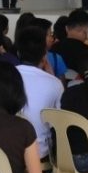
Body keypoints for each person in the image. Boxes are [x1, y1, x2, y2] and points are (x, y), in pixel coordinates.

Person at [14, 27, 61, 161]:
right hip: (40, 153)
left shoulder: (6, 76)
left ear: (18, 53)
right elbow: (58, 122)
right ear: (44, 54)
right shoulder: (54, 84)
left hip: (8, 149)